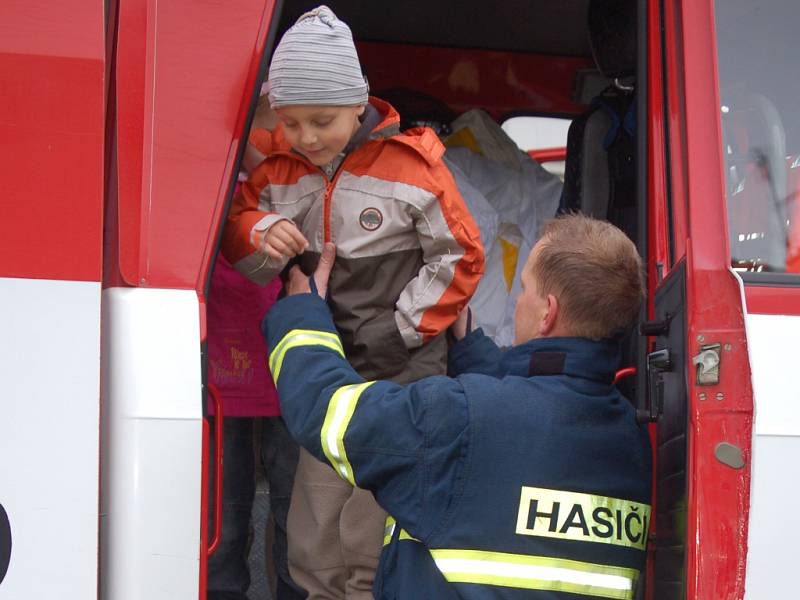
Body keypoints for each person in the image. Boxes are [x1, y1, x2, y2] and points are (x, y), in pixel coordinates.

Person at [220, 6, 484, 598]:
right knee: (312, 534)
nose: (306, 138)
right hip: (326, 379)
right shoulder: (279, 173)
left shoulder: (414, 167)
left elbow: (461, 257)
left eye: (322, 121)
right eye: (290, 124)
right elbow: (235, 233)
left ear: (360, 103)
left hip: (402, 380)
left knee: (373, 534)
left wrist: (400, 330)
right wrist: (260, 230)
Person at [264, 214, 652, 599]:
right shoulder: (632, 442)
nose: (518, 302)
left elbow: (327, 409)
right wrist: (471, 349)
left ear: (547, 313)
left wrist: (302, 311)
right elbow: (532, 431)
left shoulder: (455, 418)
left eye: (524, 290)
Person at [206, 89, 304, 600]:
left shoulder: (301, 170)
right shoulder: (207, 175)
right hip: (223, 355)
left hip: (290, 353)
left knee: (296, 512)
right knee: (224, 510)